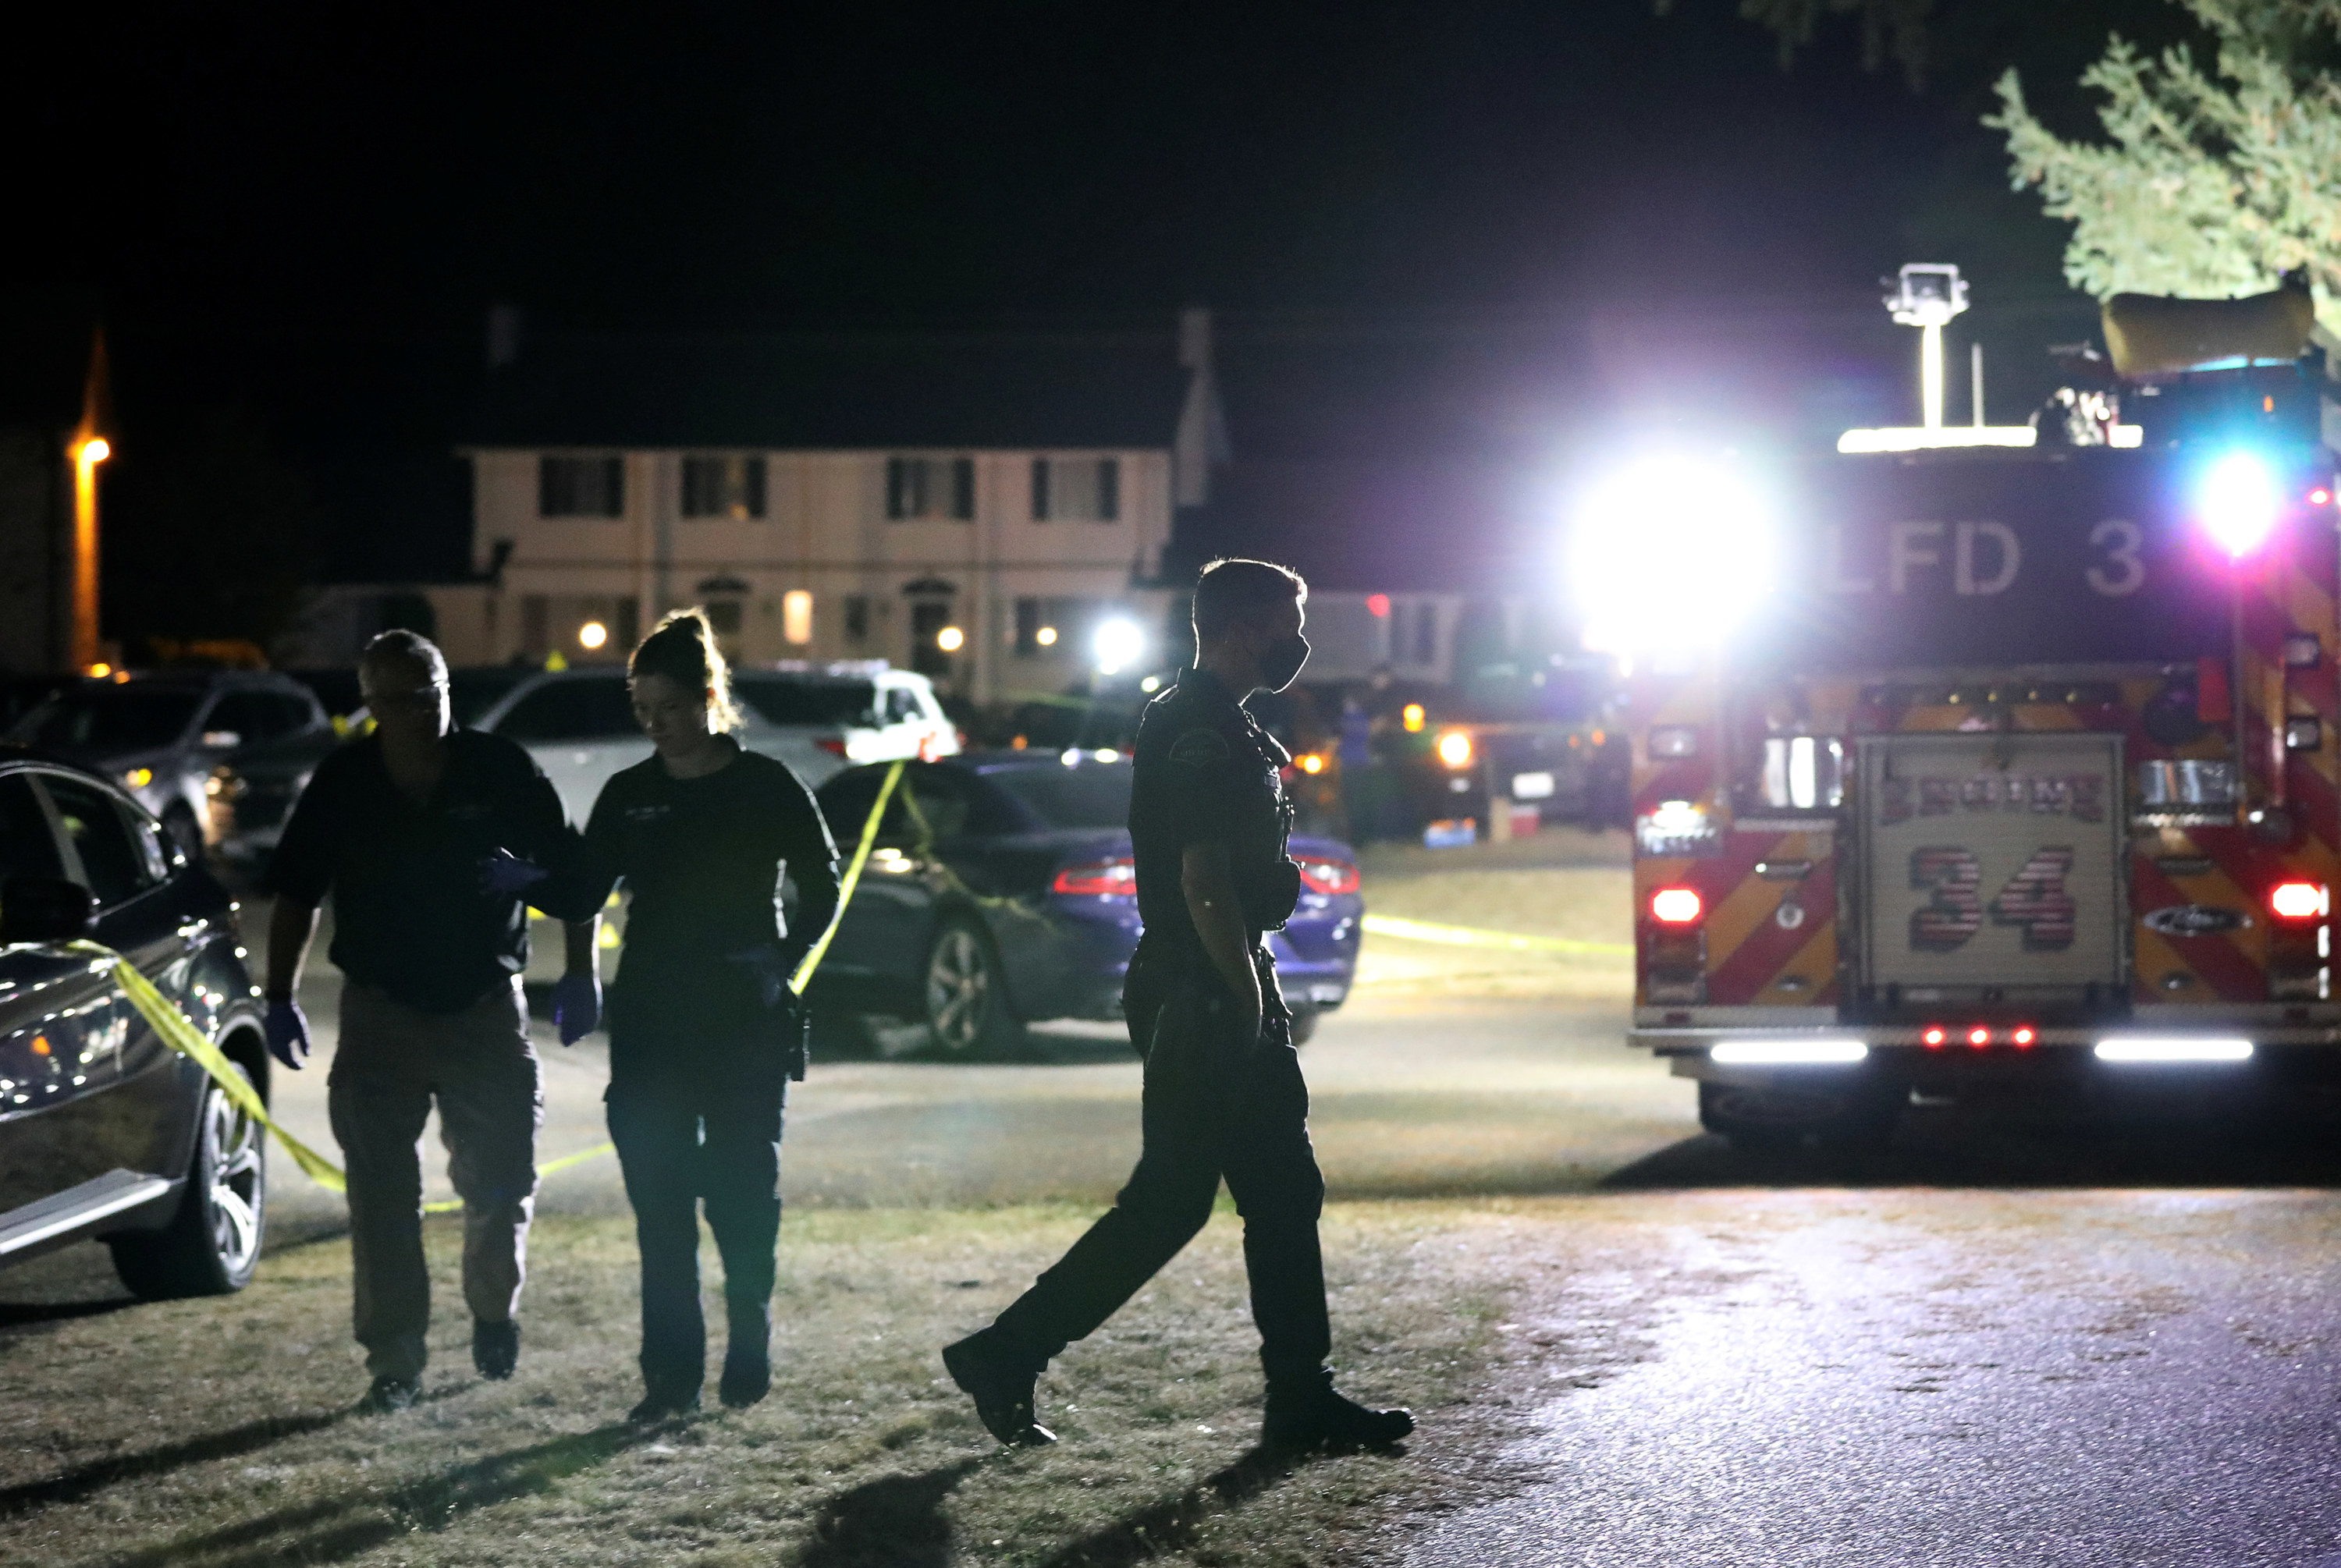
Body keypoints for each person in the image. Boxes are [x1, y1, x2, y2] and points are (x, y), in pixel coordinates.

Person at [942, 559, 1412, 1451]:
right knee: (1176, 1203)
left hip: (1210, 986)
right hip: (1203, 992)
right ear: (1239, 631)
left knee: (1275, 1192)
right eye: (1286, 626)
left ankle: (1298, 1398)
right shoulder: (1196, 728)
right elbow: (1203, 881)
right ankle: (1008, 1352)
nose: (1298, 645)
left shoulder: (1217, 722)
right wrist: (1243, 999)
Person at [262, 630, 604, 1414]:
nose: (419, 713)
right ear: (370, 705)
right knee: (381, 1195)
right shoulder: (346, 780)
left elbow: (573, 879)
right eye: (398, 700)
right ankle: (396, 1362)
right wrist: (278, 994)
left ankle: (493, 1312)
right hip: (381, 1010)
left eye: (431, 695)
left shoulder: (499, 769)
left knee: (501, 1179)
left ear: (448, 689)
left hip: (483, 1009)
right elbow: (297, 890)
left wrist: (579, 966)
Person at [574, 609, 841, 1421]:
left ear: (707, 699)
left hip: (740, 1021)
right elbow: (585, 887)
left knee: (741, 1190)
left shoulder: (764, 785)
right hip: (653, 1021)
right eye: (640, 708)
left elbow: (822, 885)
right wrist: (542, 897)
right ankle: (670, 1379)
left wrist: (782, 958)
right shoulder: (630, 796)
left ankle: (748, 1329)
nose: (654, 724)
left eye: (669, 708)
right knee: (659, 1202)